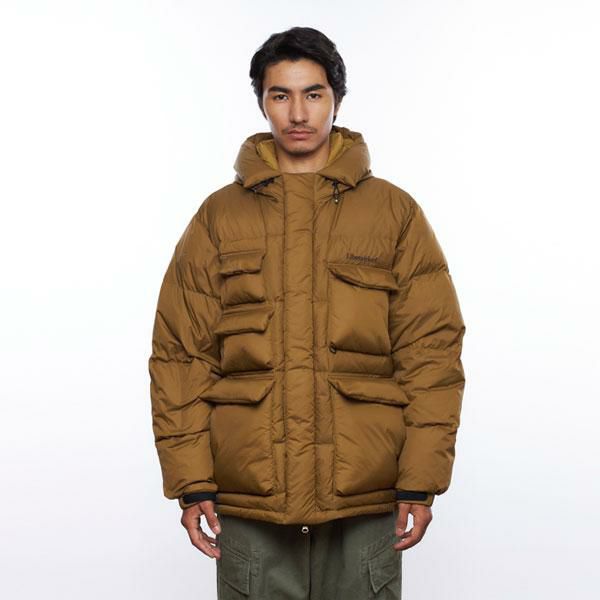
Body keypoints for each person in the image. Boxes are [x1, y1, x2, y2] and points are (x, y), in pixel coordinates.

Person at [148, 26, 466, 599]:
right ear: (262, 102)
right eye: (281, 95)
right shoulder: (219, 217)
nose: (298, 113)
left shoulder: (393, 213)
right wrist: (191, 481)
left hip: (365, 497)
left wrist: (419, 480)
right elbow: (180, 356)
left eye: (313, 94)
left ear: (336, 99)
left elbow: (431, 353)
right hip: (250, 498)